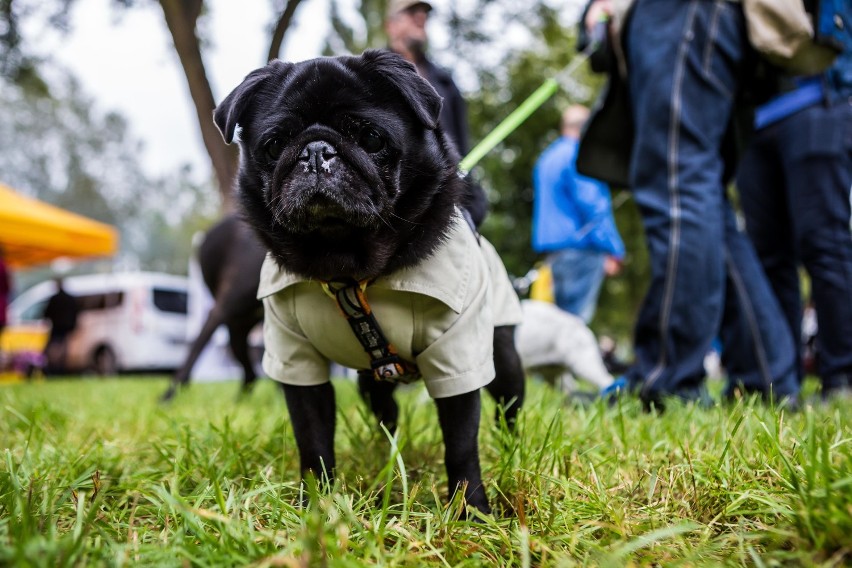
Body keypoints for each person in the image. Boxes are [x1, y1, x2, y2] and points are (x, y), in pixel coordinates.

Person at [578, 0, 799, 408]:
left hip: (683, 14)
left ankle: (666, 380)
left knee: (676, 179)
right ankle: (766, 379)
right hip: (718, 19)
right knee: (701, 196)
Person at [736, 6, 852, 401]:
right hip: (754, 119)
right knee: (768, 256)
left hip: (819, 98)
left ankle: (842, 376)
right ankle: (782, 380)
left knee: (823, 242)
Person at [384, 0, 488, 225]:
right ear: (390, 25)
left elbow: (462, 146)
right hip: (396, 212)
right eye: (412, 12)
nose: (421, 17)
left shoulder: (445, 82)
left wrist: (472, 197)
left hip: (449, 207)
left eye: (424, 12)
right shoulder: (373, 77)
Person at [532, 104, 625, 323]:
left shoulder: (547, 158)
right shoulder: (580, 156)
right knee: (574, 324)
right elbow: (593, 206)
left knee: (556, 320)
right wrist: (615, 250)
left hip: (554, 253)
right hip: (581, 251)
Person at [43, 278, 79, 375]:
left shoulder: (54, 299)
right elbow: (76, 312)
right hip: (67, 327)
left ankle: (52, 367)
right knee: (63, 347)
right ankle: (61, 366)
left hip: (57, 327)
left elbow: (46, 313)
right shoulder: (70, 298)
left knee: (52, 347)